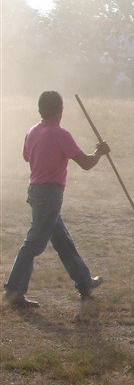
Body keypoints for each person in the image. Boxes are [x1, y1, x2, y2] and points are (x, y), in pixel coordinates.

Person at [3, 91, 111, 308]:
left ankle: (83, 281)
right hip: (49, 194)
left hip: (35, 190)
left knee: (62, 240)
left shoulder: (32, 131)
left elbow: (26, 156)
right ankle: (14, 291)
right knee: (33, 244)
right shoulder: (60, 134)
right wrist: (100, 152)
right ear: (60, 110)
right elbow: (86, 163)